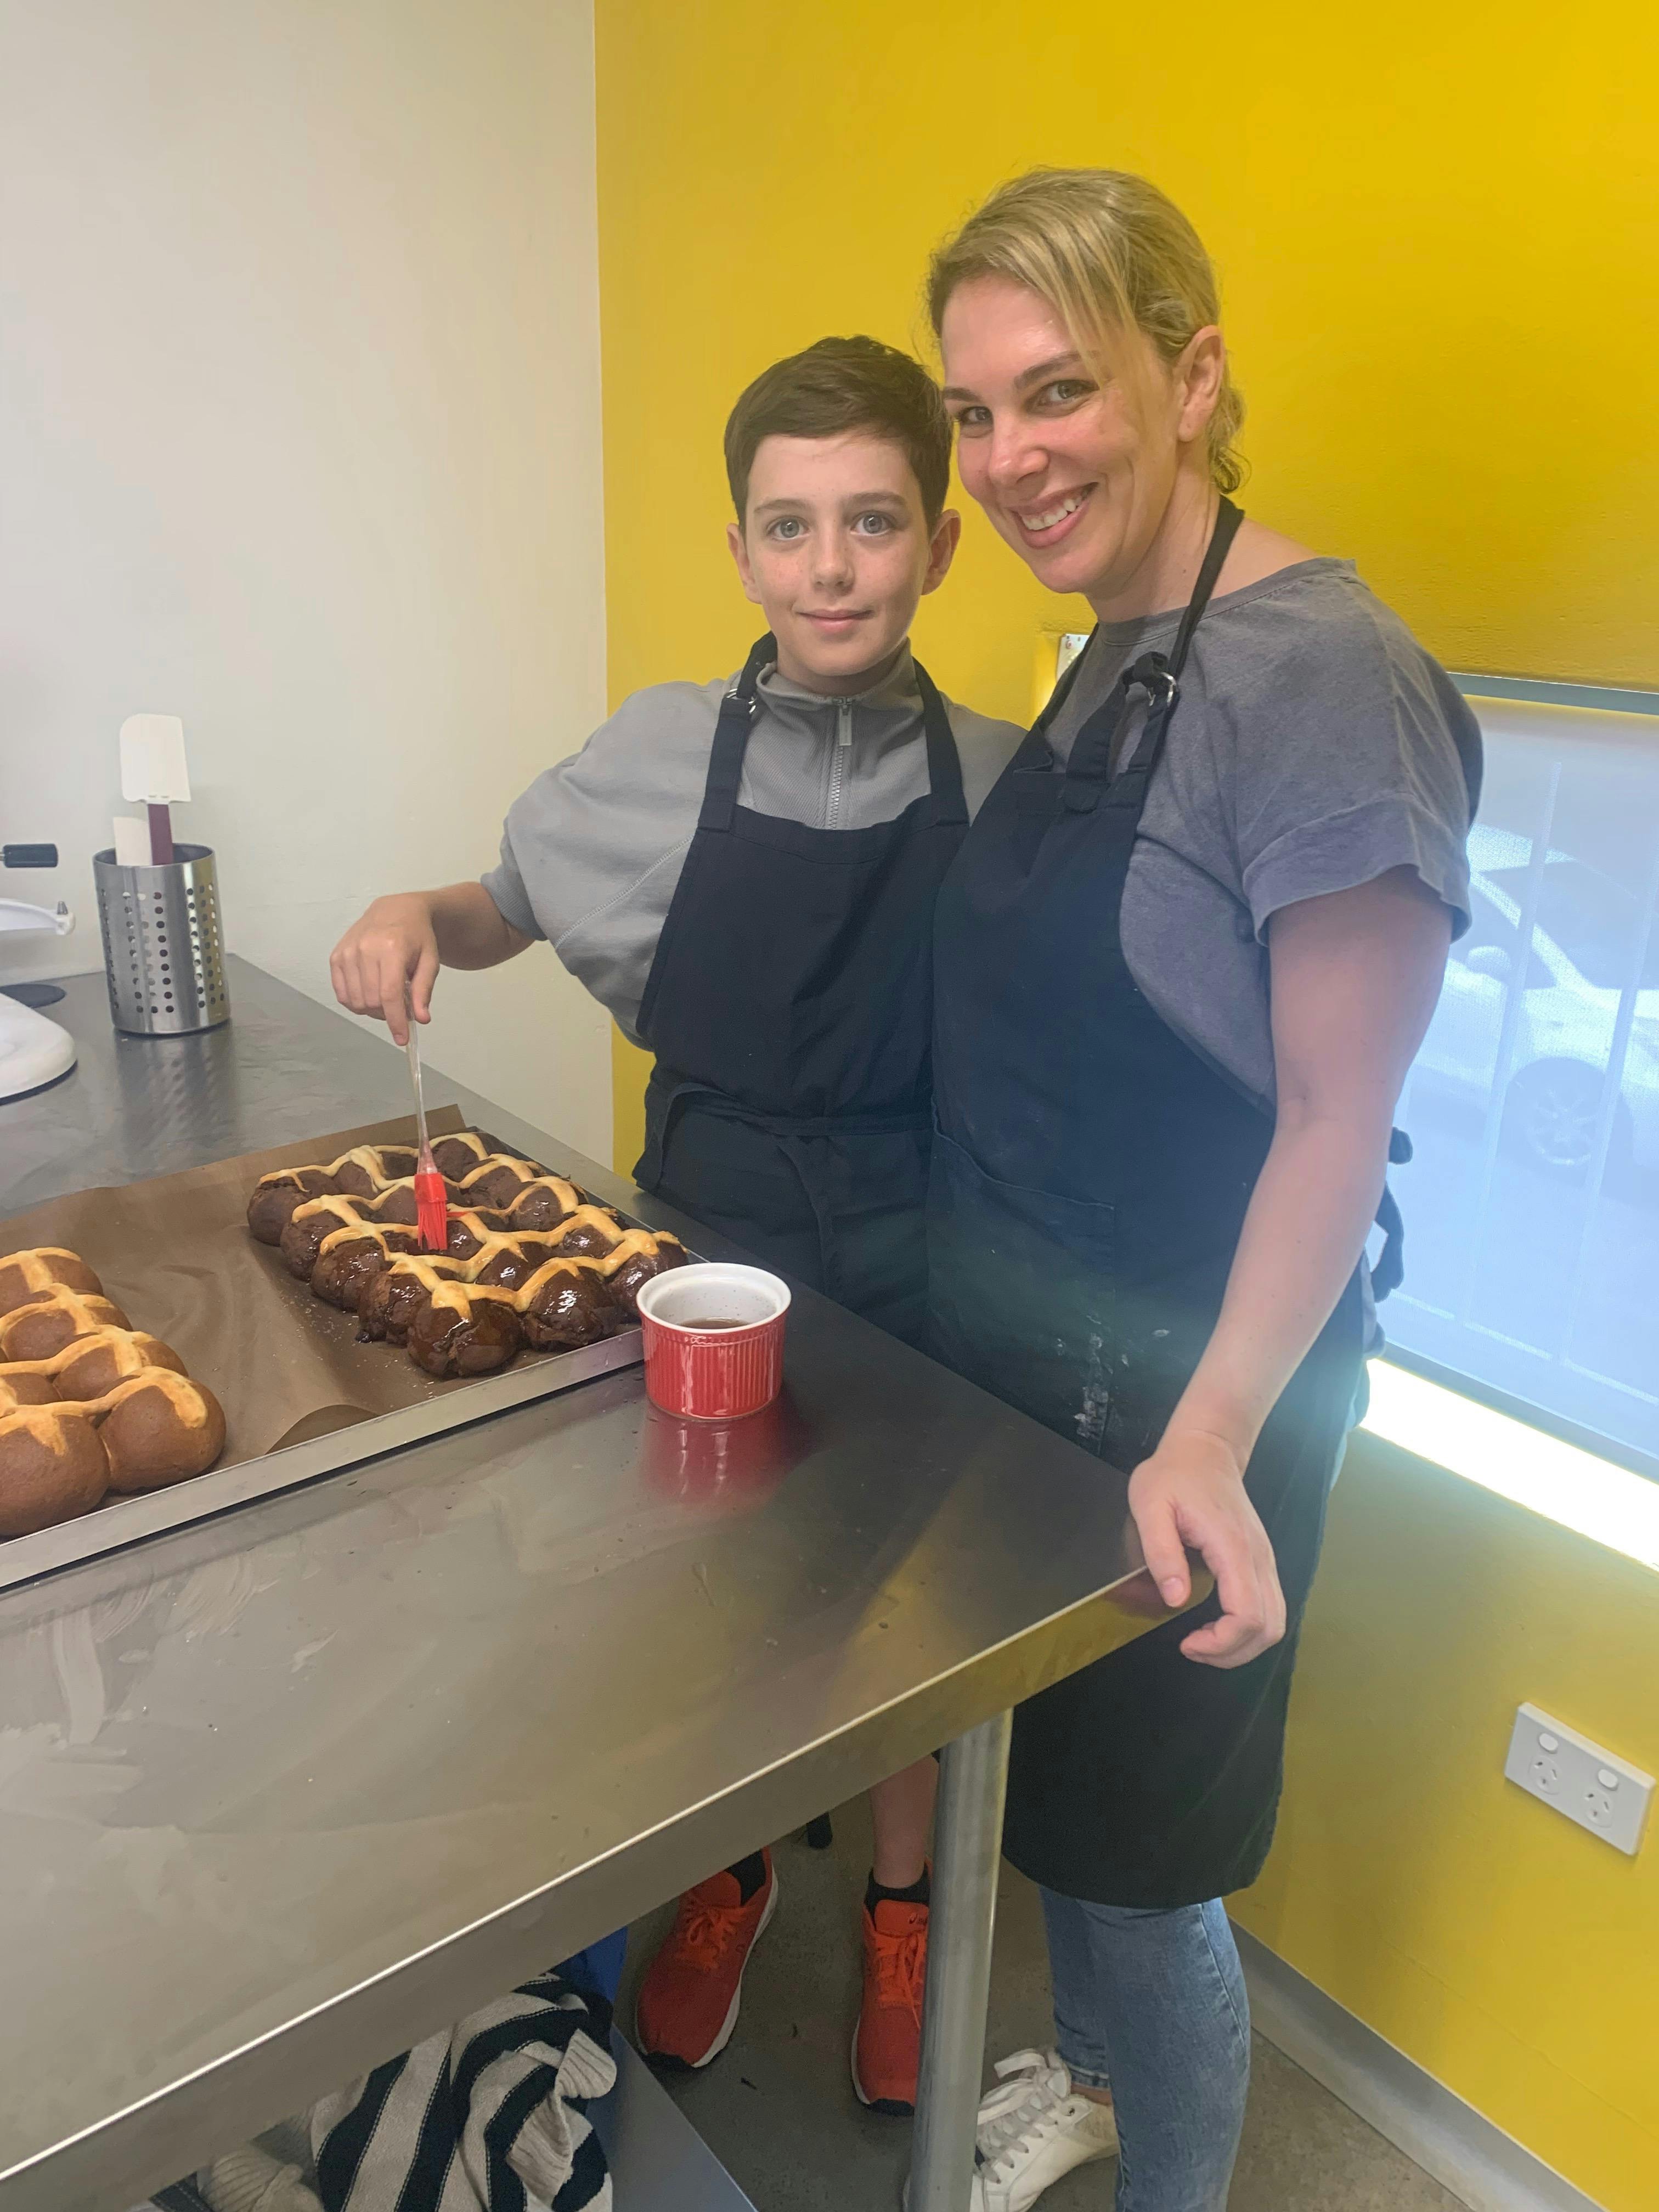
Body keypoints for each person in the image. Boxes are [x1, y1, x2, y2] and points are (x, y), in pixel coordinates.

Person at [329, 336, 1024, 2117]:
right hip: (700, 1228)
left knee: (899, 1613)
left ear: (938, 544)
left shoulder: (1011, 779)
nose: (832, 565)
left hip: (916, 1241)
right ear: (740, 552)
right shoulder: (658, 753)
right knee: (704, 1601)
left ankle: (900, 1905)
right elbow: (500, 909)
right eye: (790, 527)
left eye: (873, 522)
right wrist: (417, 907)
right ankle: (726, 1872)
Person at [919, 171, 1481, 2211]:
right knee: (1067, 1816)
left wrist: (1216, 1434)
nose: (1008, 459)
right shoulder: (1118, 644)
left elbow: (1338, 1115)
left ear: (1198, 372)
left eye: (1056, 392)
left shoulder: (1323, 678)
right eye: (976, 413)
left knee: (1147, 1877)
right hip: (1039, 1367)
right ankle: (1081, 2076)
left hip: (1201, 1397)